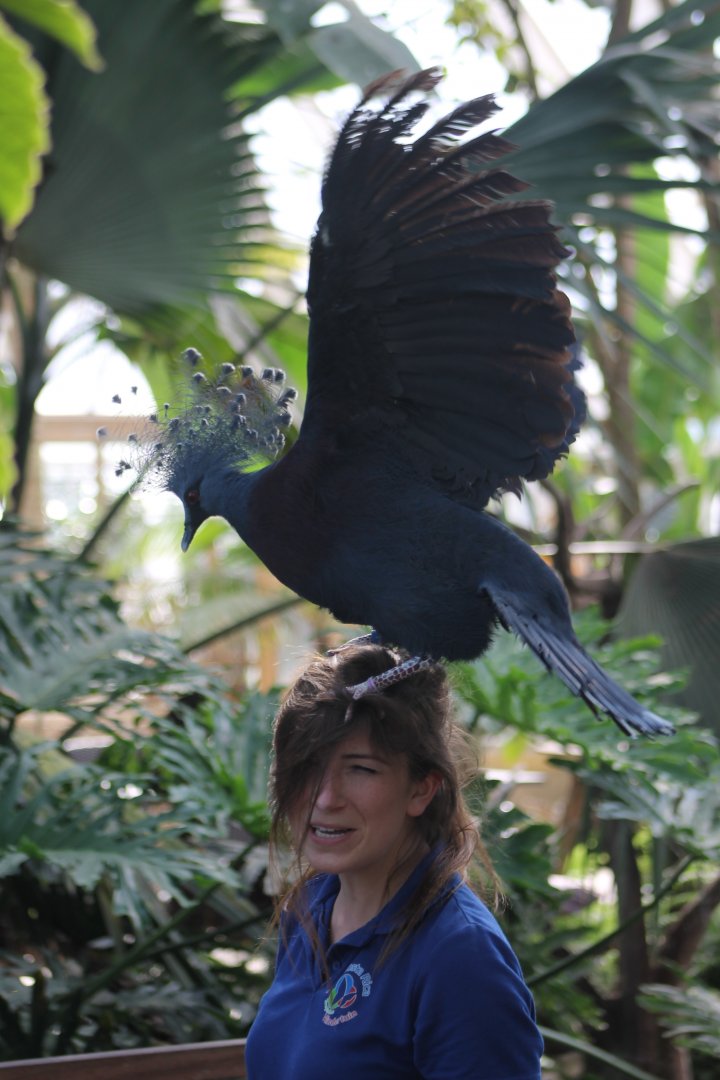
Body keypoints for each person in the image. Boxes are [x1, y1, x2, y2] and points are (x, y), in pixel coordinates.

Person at [245, 643, 543, 1079]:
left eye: (361, 769)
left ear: (422, 788)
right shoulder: (309, 907)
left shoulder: (460, 956)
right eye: (306, 766)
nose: (325, 798)